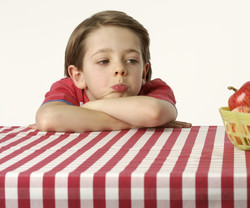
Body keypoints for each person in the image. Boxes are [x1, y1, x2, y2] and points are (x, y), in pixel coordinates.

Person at [32, 10, 191, 132]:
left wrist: (87, 109)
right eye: (103, 61)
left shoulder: (154, 90)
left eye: (131, 60)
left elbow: (154, 112)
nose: (120, 69)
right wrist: (137, 122)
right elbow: (48, 118)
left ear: (143, 72)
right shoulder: (68, 88)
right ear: (78, 76)